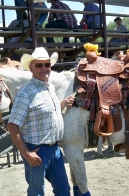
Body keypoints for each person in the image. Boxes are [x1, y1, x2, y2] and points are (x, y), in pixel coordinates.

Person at [7, 47, 76, 196]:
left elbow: (47, 111)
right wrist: (27, 153)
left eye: (47, 64)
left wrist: (62, 104)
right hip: (36, 151)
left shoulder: (49, 86)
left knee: (64, 190)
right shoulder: (25, 94)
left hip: (55, 150)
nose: (44, 68)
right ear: (31, 68)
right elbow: (12, 126)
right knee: (36, 193)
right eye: (39, 65)